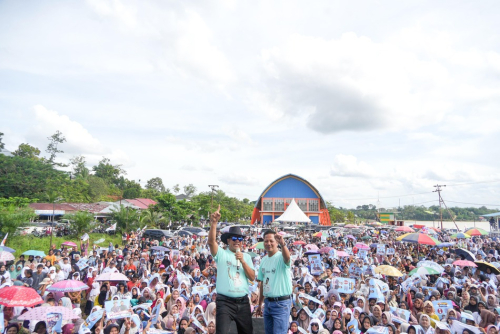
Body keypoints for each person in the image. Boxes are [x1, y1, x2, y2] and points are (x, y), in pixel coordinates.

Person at [208, 205, 255, 334]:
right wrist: (214, 223)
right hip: (225, 302)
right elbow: (212, 243)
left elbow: (252, 277)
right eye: (234, 238)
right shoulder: (222, 254)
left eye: (240, 239)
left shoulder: (246, 256)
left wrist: (243, 262)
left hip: (243, 301)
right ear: (228, 240)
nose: (237, 241)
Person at [256, 230, 292, 334]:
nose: (268, 243)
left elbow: (287, 258)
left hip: (281, 303)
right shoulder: (263, 260)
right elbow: (263, 283)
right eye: (266, 241)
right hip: (268, 303)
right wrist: (260, 303)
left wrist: (283, 244)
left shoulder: (281, 257)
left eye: (271, 241)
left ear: (276, 242)